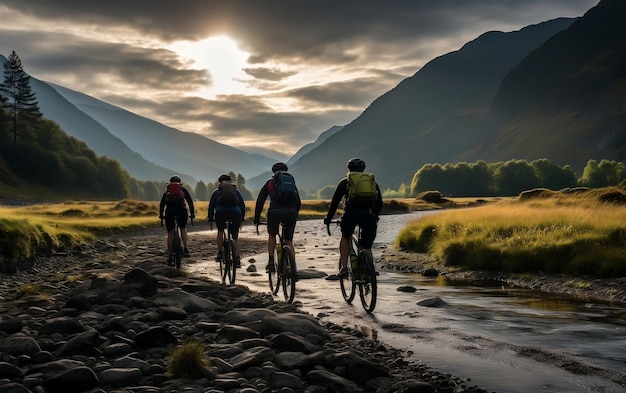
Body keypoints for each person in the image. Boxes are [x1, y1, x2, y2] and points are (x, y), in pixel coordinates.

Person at [323, 158, 383, 278]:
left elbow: (334, 202)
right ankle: (368, 268)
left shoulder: (345, 182)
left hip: (350, 215)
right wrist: (375, 216)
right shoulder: (372, 183)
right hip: (368, 216)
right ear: (363, 169)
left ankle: (344, 267)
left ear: (349, 169)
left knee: (346, 237)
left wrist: (328, 218)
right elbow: (380, 202)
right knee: (366, 245)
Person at [253, 162, 301, 273]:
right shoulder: (290, 182)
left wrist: (257, 218)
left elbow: (260, 201)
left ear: (273, 171)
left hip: (274, 213)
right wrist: (294, 214)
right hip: (291, 213)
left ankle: (271, 261)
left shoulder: (270, 183)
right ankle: (293, 268)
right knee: (289, 240)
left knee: (272, 235)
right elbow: (298, 201)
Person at [207, 173, 246, 268]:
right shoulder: (236, 191)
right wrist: (242, 217)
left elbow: (211, 206)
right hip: (235, 213)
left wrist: (210, 218)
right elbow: (242, 205)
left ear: (219, 183)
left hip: (221, 213)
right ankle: (237, 258)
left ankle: (220, 253)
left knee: (220, 231)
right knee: (235, 237)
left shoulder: (216, 192)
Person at [159, 175, 195, 265]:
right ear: (180, 182)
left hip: (170, 212)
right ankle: (186, 248)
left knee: (170, 233)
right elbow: (190, 202)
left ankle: (170, 256)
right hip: (182, 211)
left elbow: (162, 204)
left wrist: (161, 216)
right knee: (182, 228)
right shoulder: (182, 189)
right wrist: (192, 214)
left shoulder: (167, 191)